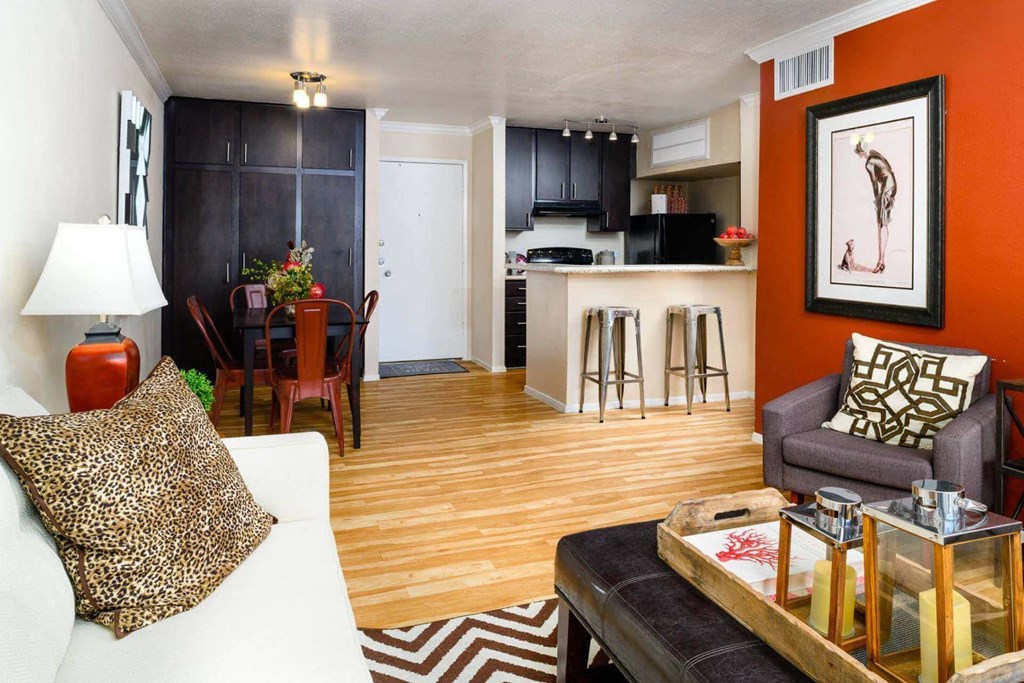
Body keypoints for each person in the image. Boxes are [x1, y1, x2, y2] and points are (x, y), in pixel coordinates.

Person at [854, 139, 897, 274]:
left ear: (861, 153)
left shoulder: (869, 162)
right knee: (882, 224)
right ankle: (881, 260)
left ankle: (881, 261)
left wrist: (877, 200)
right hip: (892, 186)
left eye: (859, 153)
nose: (859, 156)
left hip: (887, 189)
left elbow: (874, 183)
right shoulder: (874, 153)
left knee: (882, 225)